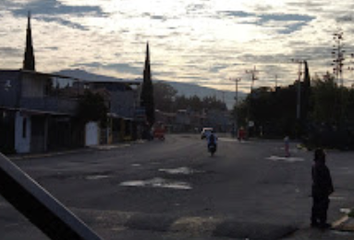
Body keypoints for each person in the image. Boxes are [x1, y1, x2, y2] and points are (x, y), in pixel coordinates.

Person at [311, 148, 334, 229]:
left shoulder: (315, 165)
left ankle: (314, 221)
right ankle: (322, 223)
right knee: (323, 206)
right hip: (321, 189)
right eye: (323, 154)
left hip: (316, 189)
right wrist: (329, 188)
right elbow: (325, 179)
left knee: (316, 205)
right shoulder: (321, 166)